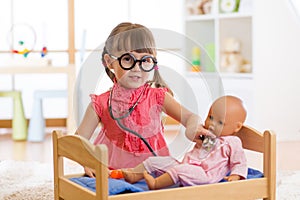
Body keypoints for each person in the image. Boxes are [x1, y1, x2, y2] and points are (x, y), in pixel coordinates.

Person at [75, 22, 209, 178]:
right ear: (109, 61)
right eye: (127, 59)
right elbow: (77, 141)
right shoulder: (100, 103)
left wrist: (192, 128)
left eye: (145, 60)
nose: (137, 67)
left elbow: (190, 117)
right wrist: (89, 162)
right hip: (111, 174)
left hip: (155, 175)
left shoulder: (158, 97)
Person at [122, 95, 248, 190]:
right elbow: (200, 149)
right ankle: (134, 175)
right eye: (210, 117)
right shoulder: (209, 136)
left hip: (204, 175)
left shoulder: (233, 142)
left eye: (220, 122)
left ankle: (155, 184)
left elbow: (240, 162)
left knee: (179, 171)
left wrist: (236, 175)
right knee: (155, 161)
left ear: (236, 127)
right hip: (186, 165)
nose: (212, 124)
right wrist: (198, 135)